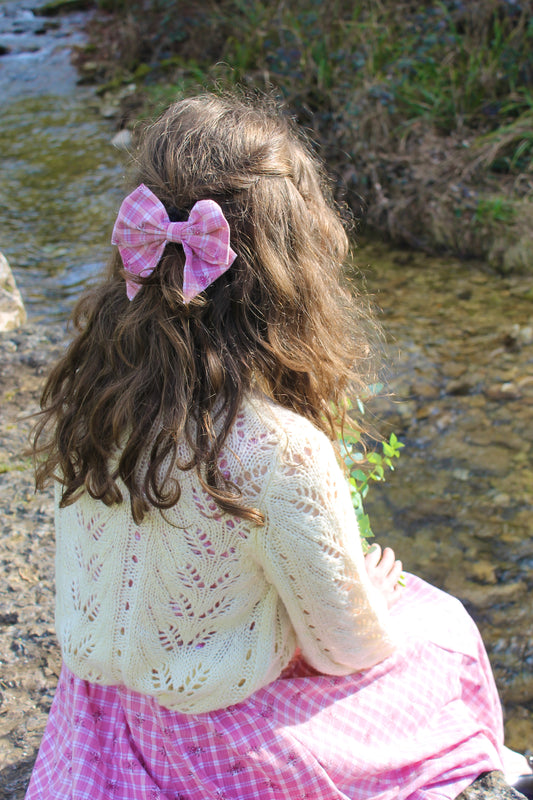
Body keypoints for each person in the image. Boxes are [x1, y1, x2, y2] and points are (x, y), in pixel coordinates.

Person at [26, 92, 530, 800]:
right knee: (440, 625)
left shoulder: (92, 396)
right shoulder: (276, 450)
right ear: (287, 269)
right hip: (210, 746)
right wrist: (367, 601)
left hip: (103, 718)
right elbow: (346, 649)